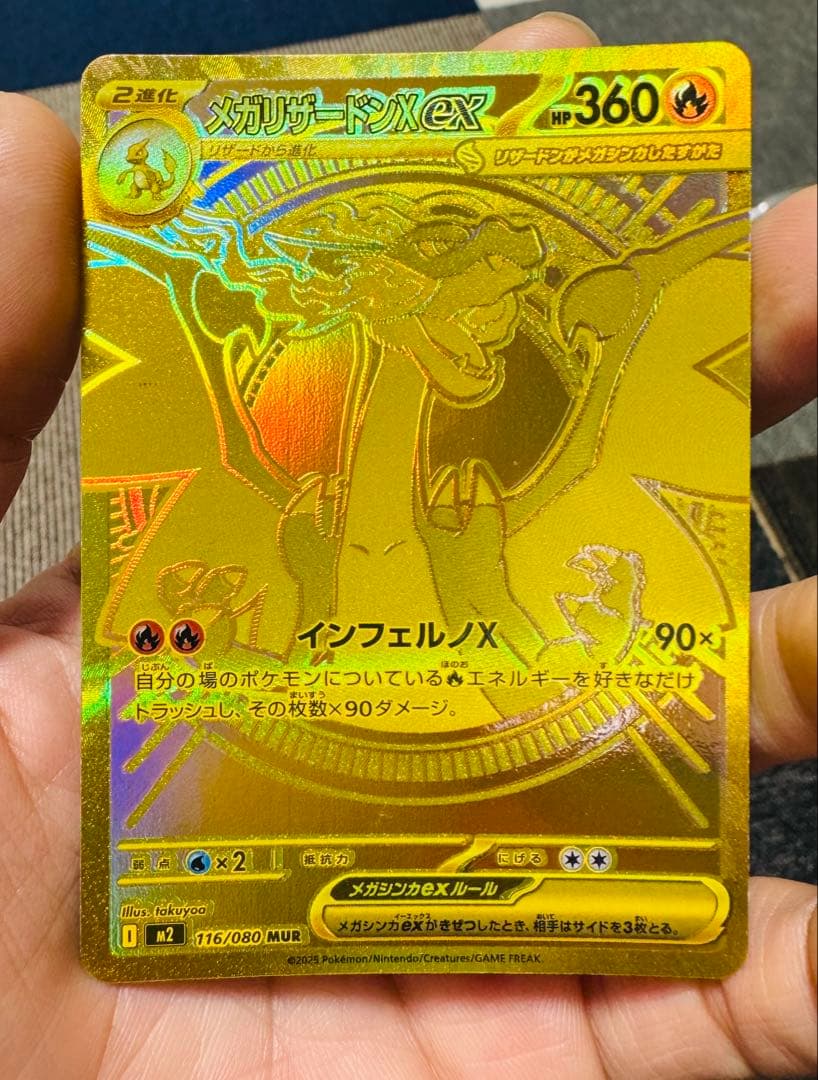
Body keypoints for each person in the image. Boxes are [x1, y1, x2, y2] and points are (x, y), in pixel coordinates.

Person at [0, 11, 815, 1077]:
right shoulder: (289, 511)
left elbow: (573, 482)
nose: (500, 327)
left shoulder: (463, 502)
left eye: (511, 303)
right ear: (391, 298)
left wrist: (486, 596)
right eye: (483, 302)